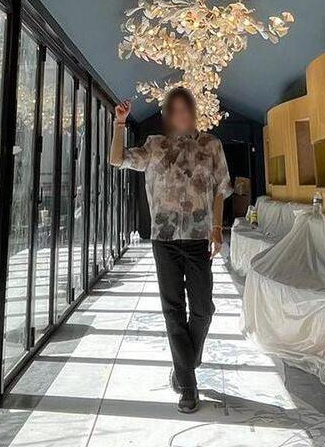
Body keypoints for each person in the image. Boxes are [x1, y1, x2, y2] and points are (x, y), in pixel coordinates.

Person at [110, 87, 232, 414]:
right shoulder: (155, 145)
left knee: (203, 309)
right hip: (163, 240)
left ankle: (186, 362)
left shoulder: (211, 145)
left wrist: (217, 229)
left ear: (193, 111)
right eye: (174, 109)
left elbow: (221, 189)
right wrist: (119, 124)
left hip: (198, 238)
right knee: (173, 309)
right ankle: (188, 385)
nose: (180, 114)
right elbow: (117, 159)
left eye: (185, 108)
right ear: (166, 114)